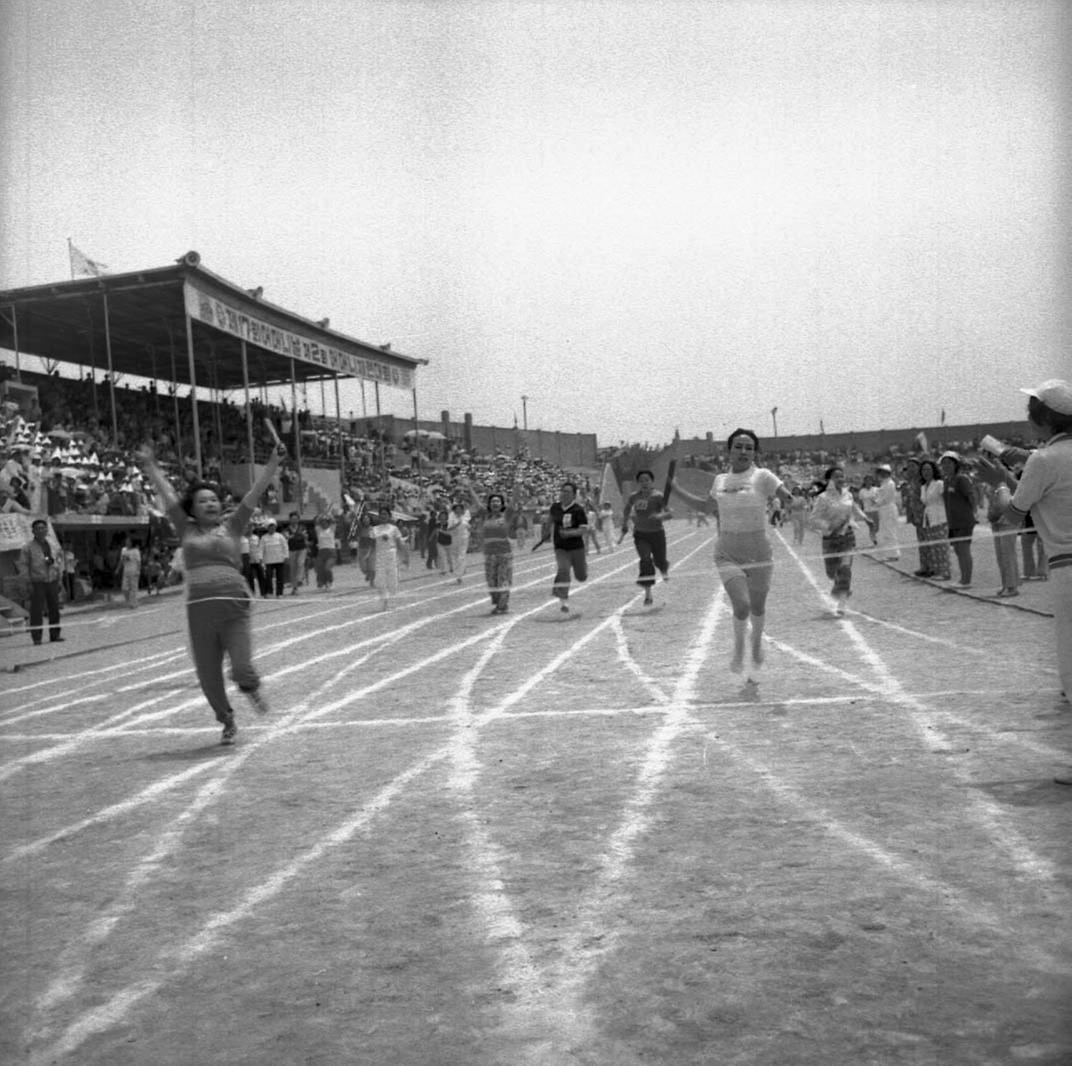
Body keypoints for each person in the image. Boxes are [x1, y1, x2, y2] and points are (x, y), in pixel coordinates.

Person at [137, 440, 287, 744]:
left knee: (243, 666)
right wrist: (151, 467)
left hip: (234, 609)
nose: (210, 504)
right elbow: (167, 497)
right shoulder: (186, 530)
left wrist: (272, 464)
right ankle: (226, 718)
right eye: (203, 501)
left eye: (214, 500)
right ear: (192, 509)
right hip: (200, 614)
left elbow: (254, 492)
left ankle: (249, 687)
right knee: (208, 678)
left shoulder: (233, 526)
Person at [976, 379, 1072, 776]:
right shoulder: (1046, 457)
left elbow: (1013, 514)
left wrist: (1000, 482)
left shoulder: (1044, 460)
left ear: (1043, 416)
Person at [672, 428, 791, 679]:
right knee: (742, 604)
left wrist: (799, 503)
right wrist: (675, 489)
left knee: (758, 607)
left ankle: (756, 643)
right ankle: (739, 648)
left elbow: (787, 497)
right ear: (729, 451)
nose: (744, 451)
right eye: (738, 446)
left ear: (755, 452)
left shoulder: (763, 476)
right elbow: (706, 507)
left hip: (759, 551)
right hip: (728, 551)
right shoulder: (720, 481)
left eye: (749, 447)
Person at [809, 464, 874, 616]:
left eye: (841, 476)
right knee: (832, 573)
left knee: (845, 569)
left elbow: (853, 508)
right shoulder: (822, 498)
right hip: (830, 539)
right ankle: (838, 587)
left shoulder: (848, 494)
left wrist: (866, 518)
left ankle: (842, 601)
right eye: (836, 476)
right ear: (828, 480)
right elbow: (813, 519)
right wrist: (830, 526)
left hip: (847, 537)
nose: (840, 479)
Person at [621, 469, 672, 606]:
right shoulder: (634, 497)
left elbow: (669, 514)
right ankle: (648, 594)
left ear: (652, 481)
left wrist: (659, 516)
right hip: (641, 534)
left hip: (657, 534)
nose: (644, 483)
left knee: (659, 560)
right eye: (641, 480)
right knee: (645, 560)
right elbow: (626, 509)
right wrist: (625, 522)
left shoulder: (658, 496)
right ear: (638, 483)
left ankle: (663, 567)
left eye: (647, 480)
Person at [469, 488, 517, 613]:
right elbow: (477, 502)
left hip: (504, 553)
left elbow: (514, 501)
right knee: (491, 582)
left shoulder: (506, 516)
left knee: (503, 579)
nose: (495, 503)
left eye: (498, 501)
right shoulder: (485, 516)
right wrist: (469, 488)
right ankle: (498, 603)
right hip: (489, 554)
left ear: (501, 504)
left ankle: (502, 605)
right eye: (493, 502)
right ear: (489, 504)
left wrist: (517, 487)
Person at [18, 518, 65, 645]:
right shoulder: (27, 548)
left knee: (54, 609)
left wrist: (60, 579)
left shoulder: (53, 545)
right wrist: (27, 583)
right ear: (33, 531)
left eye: (43, 528)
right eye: (38, 528)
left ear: (47, 530)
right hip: (37, 582)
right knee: (36, 611)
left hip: (52, 580)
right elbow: (23, 567)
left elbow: (60, 562)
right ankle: (37, 638)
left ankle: (55, 635)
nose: (41, 530)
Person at [547, 480, 588, 615]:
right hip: (561, 547)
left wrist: (569, 533)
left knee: (581, 577)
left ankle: (581, 569)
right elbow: (550, 520)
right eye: (563, 491)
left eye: (567, 492)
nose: (564, 494)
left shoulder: (578, 510)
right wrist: (546, 531)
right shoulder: (555, 507)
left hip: (577, 547)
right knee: (563, 570)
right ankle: (563, 601)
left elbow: (583, 529)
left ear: (574, 494)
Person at [939, 451, 976, 587]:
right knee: (958, 551)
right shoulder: (947, 480)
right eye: (943, 464)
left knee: (963, 549)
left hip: (964, 521)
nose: (945, 466)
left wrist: (974, 513)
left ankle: (966, 581)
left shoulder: (962, 479)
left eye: (948, 463)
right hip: (953, 522)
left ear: (956, 464)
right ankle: (963, 579)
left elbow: (971, 497)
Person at [370, 506, 410, 610]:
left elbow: (400, 544)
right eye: (381, 514)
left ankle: (391, 599)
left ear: (389, 516)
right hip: (379, 556)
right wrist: (369, 558)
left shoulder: (394, 529)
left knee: (392, 579)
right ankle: (384, 599)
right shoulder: (374, 529)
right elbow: (371, 545)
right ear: (379, 516)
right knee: (379, 580)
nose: (383, 516)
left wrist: (405, 557)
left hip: (391, 554)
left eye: (385, 514)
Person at [918, 458, 951, 581]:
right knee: (933, 546)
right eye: (924, 470)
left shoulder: (939, 484)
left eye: (928, 469)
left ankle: (945, 571)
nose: (926, 472)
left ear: (934, 470)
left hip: (940, 516)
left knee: (942, 545)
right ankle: (937, 570)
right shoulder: (923, 487)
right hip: (928, 518)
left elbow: (946, 500)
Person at [260, 519, 288, 596]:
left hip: (279, 559)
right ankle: (269, 592)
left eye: (273, 527)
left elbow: (285, 546)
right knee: (268, 577)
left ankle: (279, 593)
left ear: (275, 527)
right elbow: (261, 549)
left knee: (280, 577)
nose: (272, 528)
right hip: (268, 561)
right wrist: (260, 558)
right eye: (270, 527)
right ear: (267, 528)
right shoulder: (264, 538)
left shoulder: (280, 536)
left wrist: (286, 556)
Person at [446, 502, 471, 584]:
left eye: (460, 509)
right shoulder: (451, 516)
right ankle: (459, 571)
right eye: (457, 509)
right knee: (455, 556)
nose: (459, 510)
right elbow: (449, 528)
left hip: (464, 538)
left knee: (461, 556)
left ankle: (459, 576)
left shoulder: (465, 517)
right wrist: (457, 524)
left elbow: (468, 526)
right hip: (454, 538)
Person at [284, 511, 308, 595]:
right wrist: (296, 535)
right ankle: (294, 587)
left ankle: (300, 579)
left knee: (300, 563)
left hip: (302, 548)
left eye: (296, 519)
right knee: (292, 568)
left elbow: (305, 536)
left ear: (298, 519)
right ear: (290, 520)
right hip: (292, 549)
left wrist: (297, 535)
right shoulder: (287, 529)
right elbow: (287, 537)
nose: (294, 521)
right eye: (292, 519)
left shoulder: (302, 527)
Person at [116, 533, 142, 608]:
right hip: (126, 572)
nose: (126, 542)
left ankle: (133, 603)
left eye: (128, 541)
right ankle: (130, 601)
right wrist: (118, 569)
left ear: (131, 542)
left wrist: (138, 571)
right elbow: (121, 560)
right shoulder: (123, 550)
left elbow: (139, 562)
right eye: (126, 541)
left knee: (133, 589)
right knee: (124, 589)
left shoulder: (136, 551)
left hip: (134, 572)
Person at [313, 513, 337, 590]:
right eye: (322, 522)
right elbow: (316, 521)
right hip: (321, 552)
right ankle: (323, 582)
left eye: (325, 521)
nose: (324, 523)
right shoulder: (319, 530)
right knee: (320, 569)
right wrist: (321, 515)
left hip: (331, 552)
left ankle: (330, 582)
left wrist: (328, 515)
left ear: (328, 522)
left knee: (327, 568)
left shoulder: (332, 529)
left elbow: (333, 520)